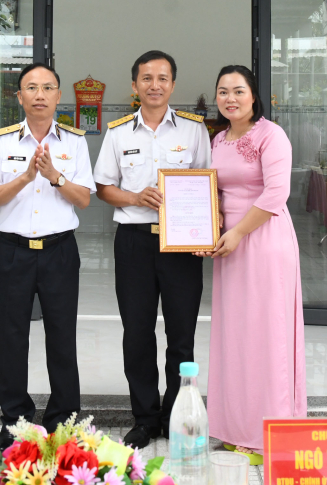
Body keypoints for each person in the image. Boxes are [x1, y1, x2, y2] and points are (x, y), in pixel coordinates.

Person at [0, 63, 96, 450]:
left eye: (47, 87)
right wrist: (25, 177)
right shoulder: (2, 142)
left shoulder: (74, 142)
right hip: (13, 252)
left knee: (62, 338)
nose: (39, 94)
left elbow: (84, 199)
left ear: (59, 96)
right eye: (31, 87)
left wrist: (55, 175)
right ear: (19, 96)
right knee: (12, 339)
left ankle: (63, 423)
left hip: (60, 252)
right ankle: (15, 422)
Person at [94, 50, 211, 448]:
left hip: (181, 244)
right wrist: (134, 197)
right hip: (134, 242)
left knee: (182, 334)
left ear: (173, 85)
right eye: (147, 78)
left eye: (162, 78)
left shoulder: (194, 131)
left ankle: (176, 415)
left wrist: (205, 233)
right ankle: (144, 418)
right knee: (137, 332)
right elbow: (103, 187)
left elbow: (208, 185)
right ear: (134, 85)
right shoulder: (118, 132)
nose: (155, 85)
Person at [196, 65, 306, 460]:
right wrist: (205, 230)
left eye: (238, 91)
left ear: (253, 95)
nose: (230, 98)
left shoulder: (271, 135)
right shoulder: (219, 139)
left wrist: (239, 232)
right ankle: (235, 426)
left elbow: (277, 193)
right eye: (223, 91)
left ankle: (266, 432)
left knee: (267, 334)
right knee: (236, 335)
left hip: (264, 241)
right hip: (231, 246)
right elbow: (213, 191)